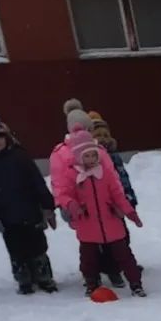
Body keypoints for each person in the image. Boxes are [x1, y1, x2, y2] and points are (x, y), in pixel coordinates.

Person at [55, 124, 145, 298]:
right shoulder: (73, 175)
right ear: (78, 157)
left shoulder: (106, 173)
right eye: (86, 156)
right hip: (87, 223)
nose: (91, 158)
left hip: (111, 221)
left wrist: (129, 212)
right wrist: (72, 205)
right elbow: (64, 194)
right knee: (88, 258)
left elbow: (118, 194)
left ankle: (136, 283)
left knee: (124, 255)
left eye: (93, 154)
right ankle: (91, 282)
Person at [0, 114, 59, 294]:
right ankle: (24, 279)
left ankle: (44, 277)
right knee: (16, 249)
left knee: (38, 246)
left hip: (31, 211)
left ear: (6, 137)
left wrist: (47, 206)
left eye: (0, 137)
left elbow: (37, 182)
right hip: (6, 217)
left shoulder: (19, 156)